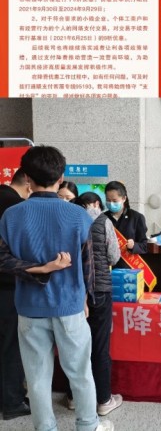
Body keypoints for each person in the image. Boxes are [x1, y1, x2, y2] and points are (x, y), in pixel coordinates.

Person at [0, 145, 113, 431]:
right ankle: (88, 425)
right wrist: (87, 298)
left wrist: (40, 269)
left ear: (27, 178)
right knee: (80, 373)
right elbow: (88, 265)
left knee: (37, 378)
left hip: (29, 308)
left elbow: (3, 260)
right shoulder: (78, 216)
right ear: (61, 177)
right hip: (70, 305)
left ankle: (46, 428)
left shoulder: (11, 215)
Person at [65, 192, 123, 416]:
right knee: (99, 346)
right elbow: (114, 256)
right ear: (97, 204)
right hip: (99, 290)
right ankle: (103, 400)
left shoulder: (69, 220)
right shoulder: (103, 221)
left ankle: (73, 397)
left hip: (73, 291)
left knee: (73, 346)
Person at [0, 168, 31, 421]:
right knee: (11, 345)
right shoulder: (17, 208)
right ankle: (12, 402)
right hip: (8, 286)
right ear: (29, 184)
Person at [104, 181, 148, 267]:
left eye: (114, 200)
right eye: (108, 200)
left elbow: (144, 246)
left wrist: (134, 246)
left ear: (124, 198)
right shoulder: (102, 218)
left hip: (128, 267)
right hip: (107, 267)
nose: (111, 203)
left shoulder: (136, 217)